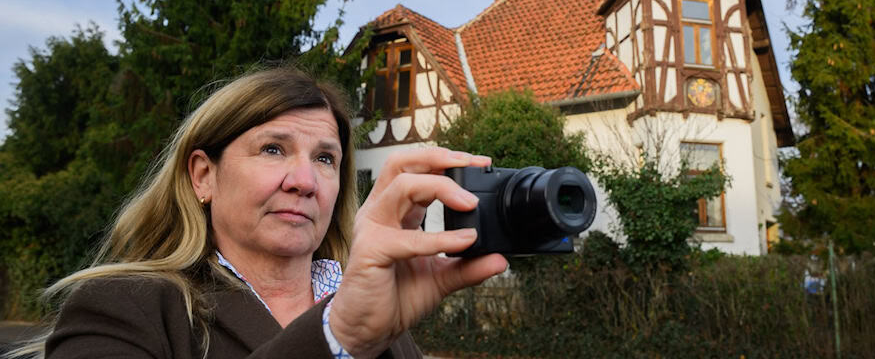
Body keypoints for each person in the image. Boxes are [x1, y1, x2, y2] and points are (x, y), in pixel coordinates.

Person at [9, 67, 508, 358]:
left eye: (325, 159)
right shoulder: (125, 307)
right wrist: (337, 335)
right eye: (273, 149)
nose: (304, 180)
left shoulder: (375, 307)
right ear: (203, 175)